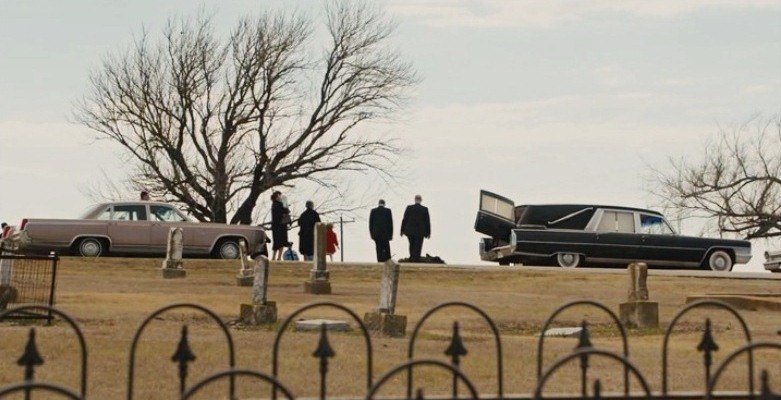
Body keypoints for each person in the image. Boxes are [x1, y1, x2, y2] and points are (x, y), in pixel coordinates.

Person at [400, 194, 430, 262]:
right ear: (421, 200)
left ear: (415, 199)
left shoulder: (409, 208)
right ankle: (416, 259)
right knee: (418, 246)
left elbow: (405, 219)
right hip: (420, 231)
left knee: (411, 245)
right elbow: (427, 221)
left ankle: (412, 257)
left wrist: (402, 230)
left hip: (410, 231)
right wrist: (428, 232)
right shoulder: (424, 209)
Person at [270, 191, 292, 261]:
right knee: (281, 241)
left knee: (277, 242)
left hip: (276, 225)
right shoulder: (279, 204)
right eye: (280, 195)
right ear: (277, 196)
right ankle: (278, 257)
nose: (281, 196)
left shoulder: (274, 204)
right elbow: (286, 211)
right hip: (281, 225)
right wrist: (285, 202)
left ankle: (274, 257)